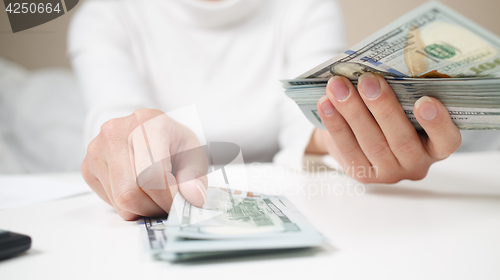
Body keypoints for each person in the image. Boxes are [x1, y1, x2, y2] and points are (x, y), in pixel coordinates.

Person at [68, 0, 470, 220]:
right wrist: (126, 142)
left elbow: (305, 122)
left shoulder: (306, 7)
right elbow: (117, 117)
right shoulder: (105, 15)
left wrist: (354, 138)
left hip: (303, 199)